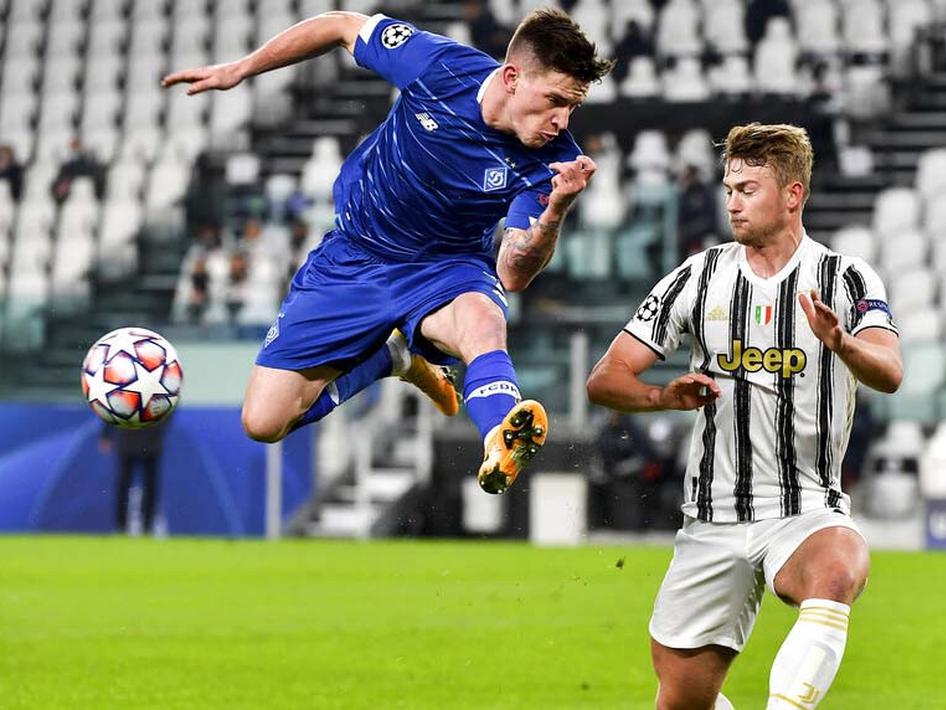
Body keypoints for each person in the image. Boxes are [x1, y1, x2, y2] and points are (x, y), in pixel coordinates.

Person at [163, 10, 613, 494]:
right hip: (355, 256)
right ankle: (394, 359)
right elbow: (338, 25)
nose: (561, 121)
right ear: (511, 77)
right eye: (554, 101)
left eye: (572, 107)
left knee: (484, 321)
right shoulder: (437, 65)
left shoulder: (554, 160)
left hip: (447, 267)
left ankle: (501, 437)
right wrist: (242, 69)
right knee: (263, 421)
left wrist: (555, 212)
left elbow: (513, 272)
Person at [587, 123, 902, 710]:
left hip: (804, 506)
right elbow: (605, 379)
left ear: (793, 195)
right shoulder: (698, 275)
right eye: (728, 187)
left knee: (838, 567)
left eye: (748, 188)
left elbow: (889, 371)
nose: (732, 200)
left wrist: (843, 344)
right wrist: (662, 397)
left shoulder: (846, 278)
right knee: (683, 702)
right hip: (712, 515)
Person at [101, 418, 171, 535]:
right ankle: (121, 526)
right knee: (123, 485)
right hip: (128, 440)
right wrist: (107, 433)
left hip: (151, 440)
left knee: (150, 486)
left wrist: (160, 427)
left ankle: (147, 526)